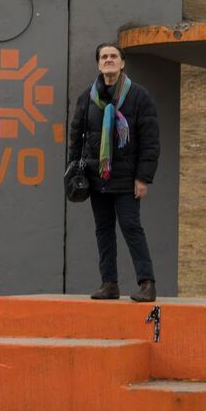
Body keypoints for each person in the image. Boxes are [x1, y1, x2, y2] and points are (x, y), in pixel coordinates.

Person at [69, 42, 160, 302]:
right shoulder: (87, 97)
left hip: (127, 178)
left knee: (131, 227)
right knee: (103, 230)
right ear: (98, 64)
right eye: (104, 56)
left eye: (114, 56)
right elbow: (76, 137)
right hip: (97, 178)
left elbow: (150, 140)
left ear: (122, 63)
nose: (108, 60)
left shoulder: (139, 96)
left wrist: (143, 177)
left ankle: (147, 283)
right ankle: (109, 284)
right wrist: (74, 171)